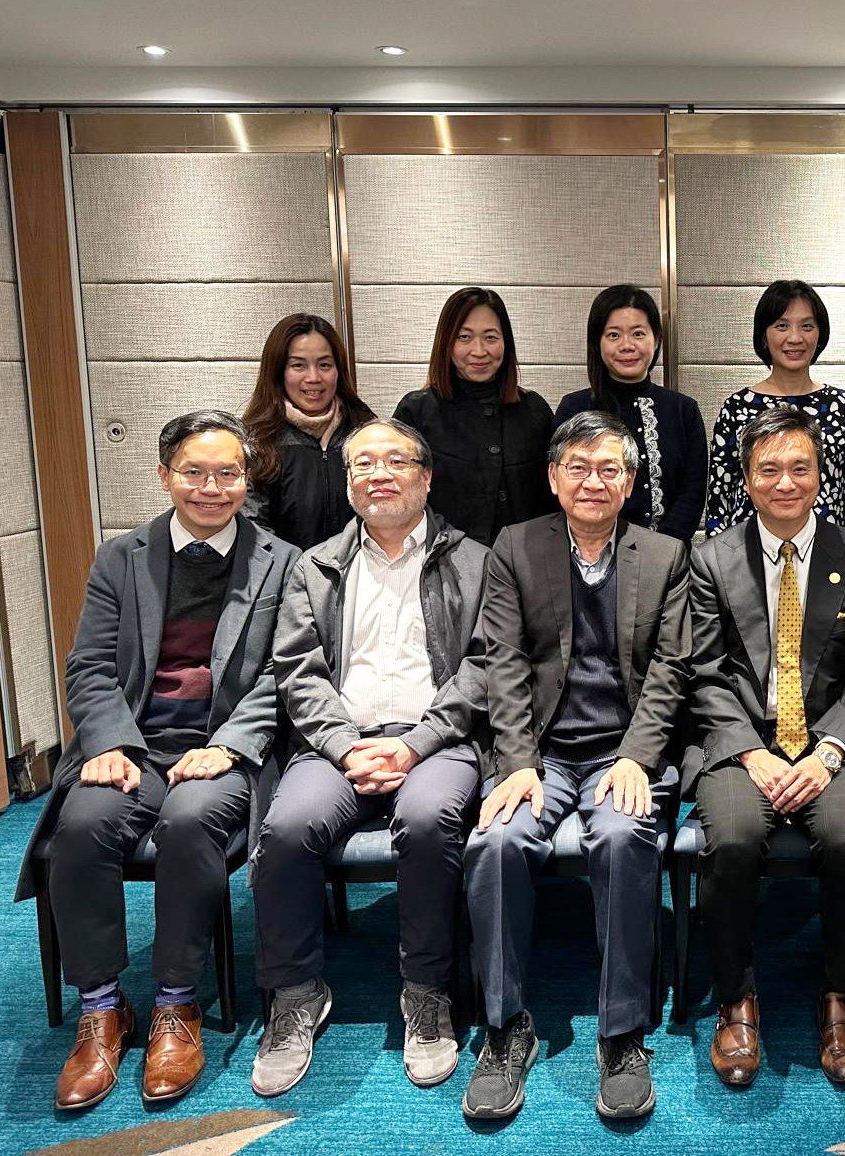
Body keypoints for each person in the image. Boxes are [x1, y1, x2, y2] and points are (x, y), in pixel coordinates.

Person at [15, 411, 297, 1111]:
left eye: (227, 473)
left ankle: (177, 1001)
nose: (211, 488)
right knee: (82, 824)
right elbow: (89, 665)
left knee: (191, 821)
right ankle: (102, 1008)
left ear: (247, 479)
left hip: (222, 745)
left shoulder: (282, 561)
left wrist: (228, 745)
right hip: (134, 744)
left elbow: (284, 674)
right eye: (194, 472)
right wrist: (109, 742)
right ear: (165, 474)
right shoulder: (121, 557)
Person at [250, 419, 488, 1098]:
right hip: (339, 742)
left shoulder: (474, 561)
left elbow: (484, 667)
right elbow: (297, 670)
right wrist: (344, 745)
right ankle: (296, 992)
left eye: (395, 461)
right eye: (363, 464)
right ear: (348, 479)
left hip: (436, 740)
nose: (378, 474)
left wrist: (414, 744)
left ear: (426, 476)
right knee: (287, 827)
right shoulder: (316, 565)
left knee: (428, 819)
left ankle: (427, 991)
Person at [464, 410, 690, 1121]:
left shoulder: (664, 555)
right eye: (579, 468)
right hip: (541, 752)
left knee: (623, 837)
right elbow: (501, 660)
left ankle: (621, 1034)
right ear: (554, 477)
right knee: (495, 842)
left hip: (622, 751)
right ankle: (505, 1027)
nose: (594, 482)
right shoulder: (515, 546)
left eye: (609, 469)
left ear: (630, 482)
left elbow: (671, 668)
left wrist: (639, 755)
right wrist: (515, 761)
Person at [687, 407, 845, 1088]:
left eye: (800, 468)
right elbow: (705, 675)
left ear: (820, 475)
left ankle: (840, 999)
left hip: (832, 741)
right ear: (746, 480)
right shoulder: (712, 560)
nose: (785, 482)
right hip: (743, 740)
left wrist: (828, 755)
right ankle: (736, 999)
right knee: (735, 839)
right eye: (768, 469)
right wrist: (753, 753)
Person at [703, 280, 845, 537]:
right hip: (749, 551)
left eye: (807, 326)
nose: (795, 338)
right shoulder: (736, 407)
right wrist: (719, 556)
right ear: (763, 335)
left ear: (820, 334)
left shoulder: (841, 405)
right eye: (782, 326)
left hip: (830, 551)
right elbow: (719, 497)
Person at [393, 286, 555, 545]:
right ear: (446, 342)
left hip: (524, 559)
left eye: (490, 337)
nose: (479, 351)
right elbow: (400, 498)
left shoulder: (534, 410)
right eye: (464, 337)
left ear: (506, 342)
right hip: (442, 559)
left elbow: (553, 500)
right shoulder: (417, 412)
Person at [554, 285, 708, 541]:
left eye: (638, 334)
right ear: (597, 343)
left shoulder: (684, 410)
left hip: (668, 554)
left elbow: (692, 493)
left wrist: (662, 550)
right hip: (590, 551)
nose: (627, 345)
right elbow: (563, 488)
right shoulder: (574, 408)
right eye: (614, 335)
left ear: (656, 339)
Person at [241, 312, 376, 550]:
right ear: (278, 371)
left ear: (338, 370)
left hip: (361, 568)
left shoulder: (366, 432)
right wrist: (299, 567)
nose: (313, 377)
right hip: (286, 570)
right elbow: (252, 527)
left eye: (324, 365)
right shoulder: (257, 439)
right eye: (298, 365)